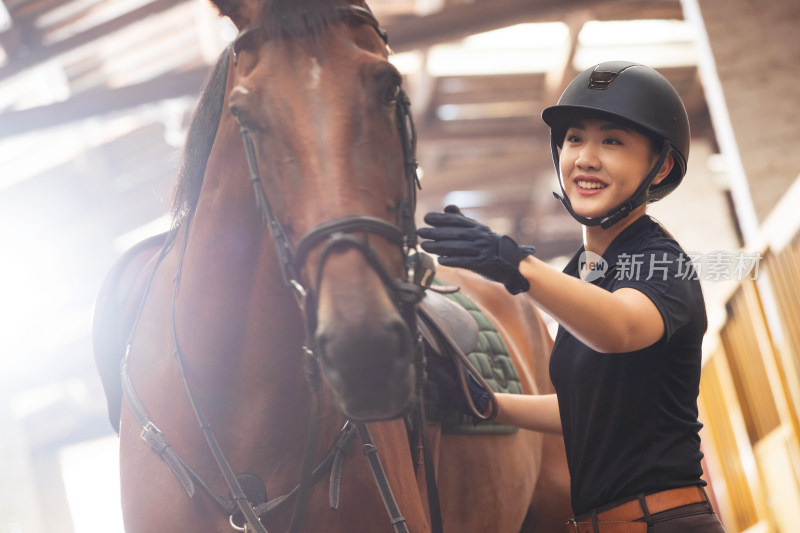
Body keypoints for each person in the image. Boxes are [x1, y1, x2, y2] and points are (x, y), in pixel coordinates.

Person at [417, 61, 726, 533]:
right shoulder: (579, 276)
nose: (585, 158)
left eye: (613, 141)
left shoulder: (661, 261)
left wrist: (513, 264)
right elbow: (581, 409)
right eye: (575, 138)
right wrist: (486, 403)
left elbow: (618, 327)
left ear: (660, 165)